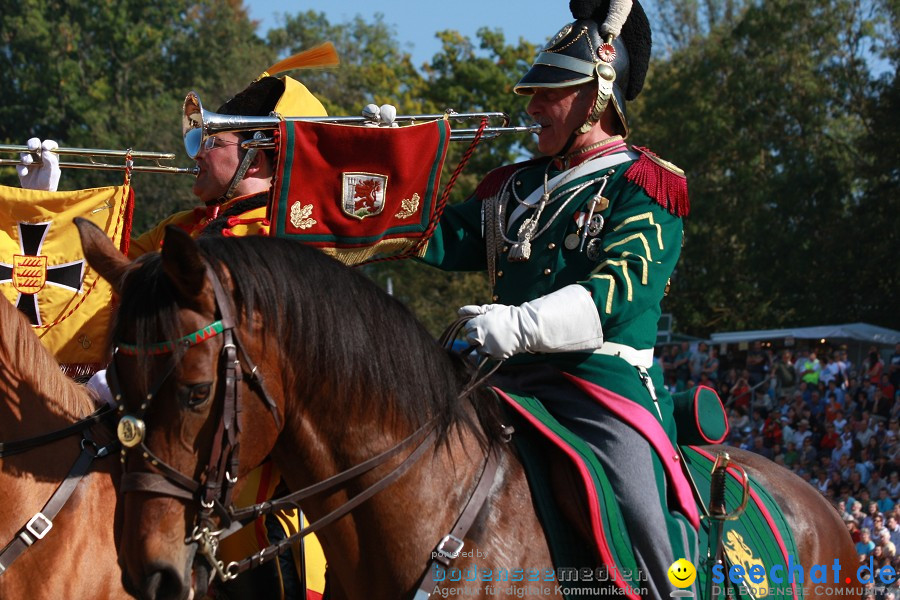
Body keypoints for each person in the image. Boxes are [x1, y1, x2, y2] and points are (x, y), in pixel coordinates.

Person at [17, 54, 336, 600]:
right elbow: (100, 281)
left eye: (215, 139)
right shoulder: (188, 226)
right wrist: (46, 211)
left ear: (260, 153)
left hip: (255, 521)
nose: (197, 150)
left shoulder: (287, 237)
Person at [419, 1, 695, 596]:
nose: (532, 107)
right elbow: (432, 235)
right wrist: (377, 166)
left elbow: (612, 296)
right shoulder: (514, 187)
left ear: (597, 96)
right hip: (500, 378)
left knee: (644, 524)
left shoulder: (642, 184)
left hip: (598, 386)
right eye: (533, 93)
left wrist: (518, 326)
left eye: (551, 92)